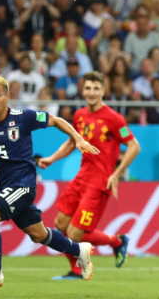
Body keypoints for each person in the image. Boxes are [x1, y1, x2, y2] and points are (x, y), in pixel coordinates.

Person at [0, 75, 101, 290]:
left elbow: (56, 120)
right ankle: (79, 250)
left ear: (7, 96)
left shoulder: (24, 117)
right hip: (7, 186)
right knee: (39, 235)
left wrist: (78, 138)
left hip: (24, 184)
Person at [38, 72, 141, 280]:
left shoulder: (114, 118)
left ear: (103, 91)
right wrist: (52, 158)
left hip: (99, 182)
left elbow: (134, 146)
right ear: (82, 90)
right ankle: (76, 270)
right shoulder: (80, 115)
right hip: (81, 177)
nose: (91, 92)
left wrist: (117, 173)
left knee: (76, 234)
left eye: (96, 88)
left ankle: (117, 242)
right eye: (88, 88)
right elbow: (71, 142)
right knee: (60, 225)